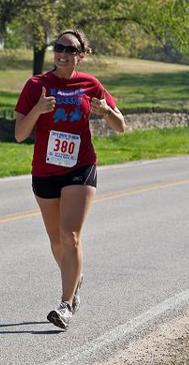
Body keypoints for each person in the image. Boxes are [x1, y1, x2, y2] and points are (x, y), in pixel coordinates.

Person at [14, 29, 126, 330]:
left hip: (80, 167)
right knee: (56, 241)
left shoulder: (90, 84)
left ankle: (65, 305)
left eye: (70, 48)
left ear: (81, 54)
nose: (62, 52)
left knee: (70, 235)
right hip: (45, 171)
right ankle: (75, 276)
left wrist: (105, 113)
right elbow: (20, 134)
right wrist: (38, 109)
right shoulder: (36, 85)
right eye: (58, 46)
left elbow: (121, 126)